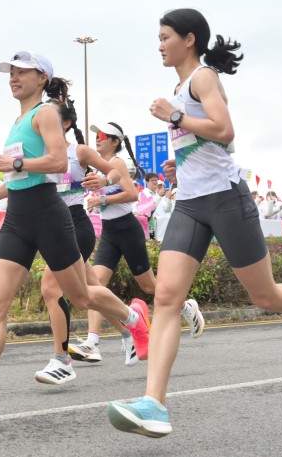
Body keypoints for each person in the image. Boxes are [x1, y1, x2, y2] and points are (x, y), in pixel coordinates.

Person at [107, 8, 282, 438]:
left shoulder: (202, 78)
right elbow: (203, 137)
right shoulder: (179, 85)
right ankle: (154, 405)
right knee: (167, 297)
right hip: (190, 204)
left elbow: (224, 130)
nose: (160, 44)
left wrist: (173, 117)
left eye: (165, 36)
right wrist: (181, 152)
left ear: (189, 39)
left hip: (226, 199)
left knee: (265, 295)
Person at [0, 51, 150, 424]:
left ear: (41, 78)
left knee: (81, 295)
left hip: (50, 215)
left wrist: (16, 163)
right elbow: (19, 176)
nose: (13, 77)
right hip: (18, 219)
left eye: (22, 72)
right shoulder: (18, 120)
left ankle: (133, 318)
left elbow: (55, 161)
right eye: (11, 72)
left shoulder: (46, 113)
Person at [69, 122, 204, 368]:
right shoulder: (100, 168)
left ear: (115, 141)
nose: (97, 140)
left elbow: (132, 194)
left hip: (127, 229)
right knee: (96, 286)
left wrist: (102, 198)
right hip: (110, 232)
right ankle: (93, 342)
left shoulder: (117, 164)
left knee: (149, 286)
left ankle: (186, 306)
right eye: (96, 136)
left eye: (102, 136)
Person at [34, 99, 125, 385]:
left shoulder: (79, 151)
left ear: (65, 123)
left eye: (47, 117)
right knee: (86, 292)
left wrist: (102, 180)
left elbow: (115, 173)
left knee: (51, 288)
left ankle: (62, 361)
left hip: (75, 225)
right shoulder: (39, 152)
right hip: (50, 225)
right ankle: (133, 325)